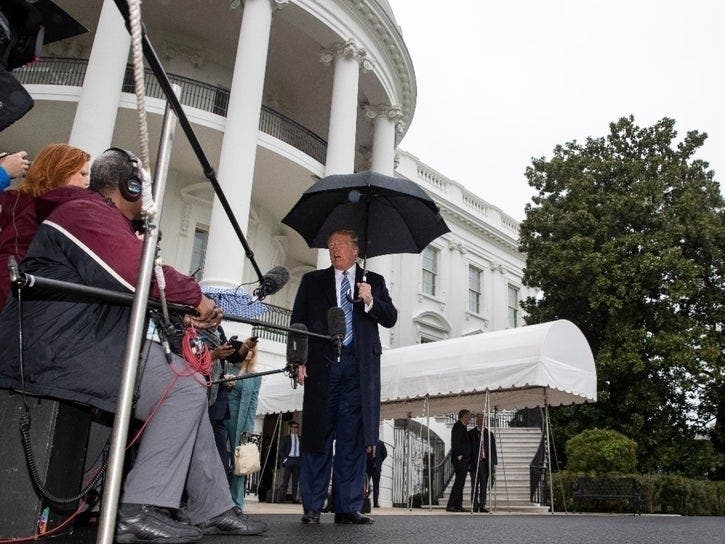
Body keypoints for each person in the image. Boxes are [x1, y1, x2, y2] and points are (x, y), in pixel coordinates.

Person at [0, 148, 267, 541]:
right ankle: (139, 508)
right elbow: (137, 273)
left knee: (185, 383)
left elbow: (134, 281)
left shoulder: (94, 216)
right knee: (181, 384)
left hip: (78, 343)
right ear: (130, 186)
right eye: (143, 188)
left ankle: (212, 506)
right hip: (56, 349)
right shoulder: (83, 212)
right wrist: (195, 298)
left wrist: (182, 307)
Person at [292, 229, 397, 525]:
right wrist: (298, 360)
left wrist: (370, 300)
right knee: (317, 437)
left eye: (340, 245)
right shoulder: (312, 281)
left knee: (352, 440)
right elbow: (297, 321)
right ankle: (312, 506)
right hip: (322, 367)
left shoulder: (373, 281)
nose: (334, 250)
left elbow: (390, 317)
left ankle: (348, 506)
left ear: (355, 250)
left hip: (358, 370)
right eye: (330, 246)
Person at [0, 143, 90, 310]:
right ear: (61, 173)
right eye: (82, 173)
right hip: (15, 289)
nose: (87, 181)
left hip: (35, 296)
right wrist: (4, 171)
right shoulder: (14, 200)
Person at [225, 336, 262, 510]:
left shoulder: (255, 376)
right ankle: (220, 499)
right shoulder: (228, 367)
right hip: (224, 416)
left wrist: (249, 427)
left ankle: (237, 503)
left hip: (241, 421)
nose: (249, 353)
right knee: (222, 457)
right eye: (247, 349)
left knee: (239, 462)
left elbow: (253, 402)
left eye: (252, 351)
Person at [468, 413, 498, 512]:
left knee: (484, 484)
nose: (480, 422)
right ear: (476, 421)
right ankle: (474, 505)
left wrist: (494, 464)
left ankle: (482, 504)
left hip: (485, 463)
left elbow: (493, 450)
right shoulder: (471, 433)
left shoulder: (490, 434)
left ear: (485, 421)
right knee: (474, 484)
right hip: (474, 462)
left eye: (482, 420)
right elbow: (468, 450)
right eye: (479, 420)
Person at [446, 409, 471, 512]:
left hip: (463, 459)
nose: (470, 418)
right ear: (463, 416)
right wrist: (459, 456)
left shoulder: (463, 426)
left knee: (461, 483)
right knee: (458, 483)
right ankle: (450, 505)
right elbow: (455, 442)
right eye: (468, 416)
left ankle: (458, 505)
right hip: (459, 459)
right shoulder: (458, 426)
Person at [277, 421, 302, 503]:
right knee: (285, 480)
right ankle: (282, 497)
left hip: (297, 460)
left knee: (295, 481)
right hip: (289, 459)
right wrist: (285, 459)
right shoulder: (286, 438)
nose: (295, 429)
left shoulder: (300, 439)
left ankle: (294, 498)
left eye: (297, 427)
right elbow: (281, 450)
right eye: (294, 427)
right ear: (291, 428)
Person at [366, 439, 388, 508]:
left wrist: (379, 462)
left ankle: (376, 502)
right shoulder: (367, 442)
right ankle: (364, 501)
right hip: (368, 467)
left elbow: (385, 453)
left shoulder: (380, 443)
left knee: (376, 485)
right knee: (366, 484)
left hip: (376, 468)